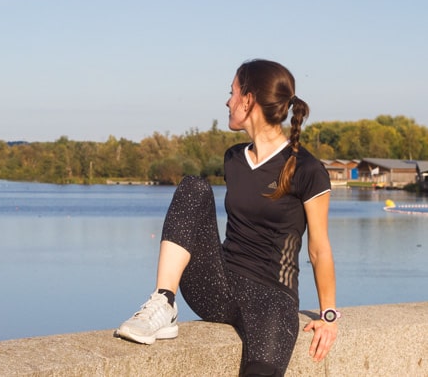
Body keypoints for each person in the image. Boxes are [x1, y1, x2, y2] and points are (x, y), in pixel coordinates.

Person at [116, 59, 338, 376]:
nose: (227, 101)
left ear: (249, 99)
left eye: (232, 92)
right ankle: (164, 302)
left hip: (272, 298)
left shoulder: (307, 169)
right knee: (193, 187)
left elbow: (319, 248)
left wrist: (328, 314)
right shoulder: (233, 158)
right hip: (218, 287)